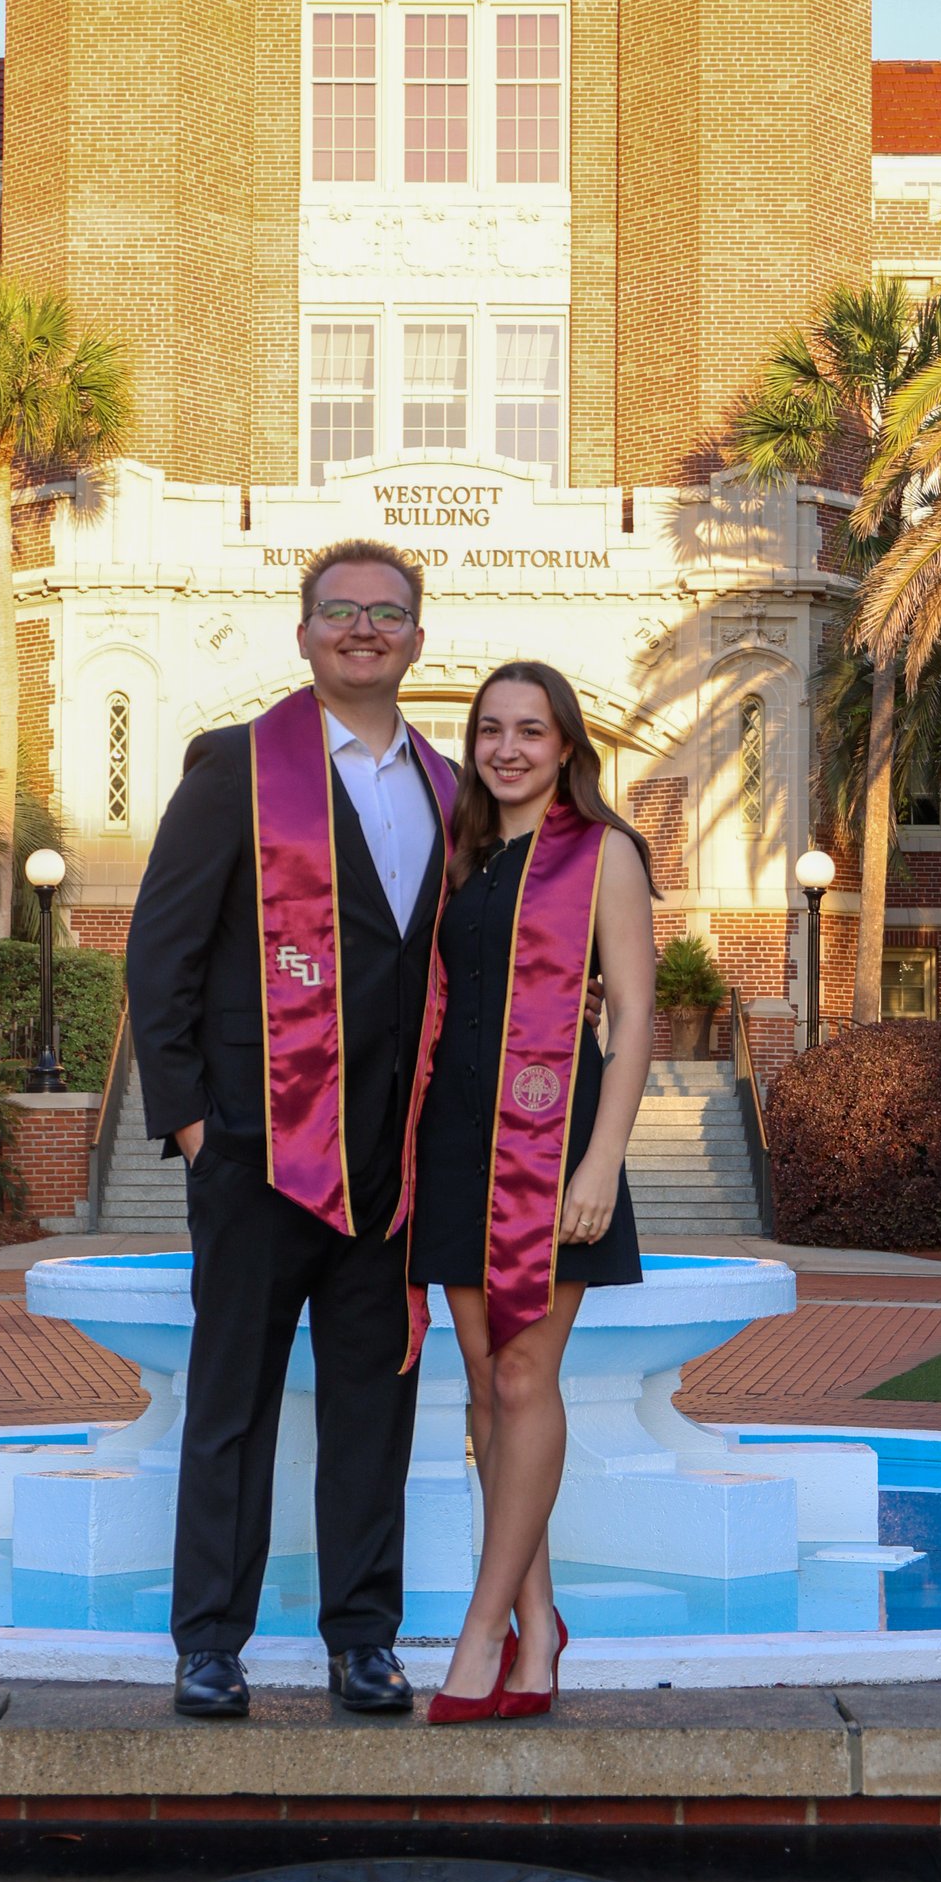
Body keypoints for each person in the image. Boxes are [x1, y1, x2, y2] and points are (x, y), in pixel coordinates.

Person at [123, 542, 457, 1720]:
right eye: (339, 611)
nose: (363, 628)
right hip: (260, 1155)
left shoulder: (451, 790)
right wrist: (195, 1126)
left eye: (387, 612)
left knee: (377, 1414)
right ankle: (209, 1642)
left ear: (419, 638)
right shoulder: (236, 771)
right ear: (304, 632)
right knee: (233, 1408)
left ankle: (363, 1639)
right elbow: (158, 953)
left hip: (392, 1167)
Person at [408, 662, 655, 1722]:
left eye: (532, 730)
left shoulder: (602, 854)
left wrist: (601, 1160)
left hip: (554, 1146)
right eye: (491, 730)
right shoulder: (460, 857)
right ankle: (538, 1625)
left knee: (521, 1380)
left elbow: (635, 1020)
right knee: (481, 1387)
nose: (508, 748)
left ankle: (481, 1629)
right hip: (454, 1137)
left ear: (567, 747)